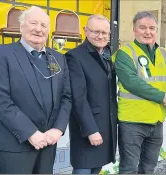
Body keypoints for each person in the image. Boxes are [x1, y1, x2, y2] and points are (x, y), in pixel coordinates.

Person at [0, 6, 72, 174]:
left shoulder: (58, 58)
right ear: (21, 27)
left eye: (43, 25)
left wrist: (58, 129)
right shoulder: (1, 55)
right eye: (33, 23)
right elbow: (0, 100)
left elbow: (66, 97)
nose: (38, 29)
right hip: (16, 143)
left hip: (48, 143)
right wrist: (31, 133)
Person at [113, 11, 166, 174]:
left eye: (151, 28)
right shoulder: (124, 53)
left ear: (156, 31)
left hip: (156, 122)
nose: (147, 32)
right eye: (142, 27)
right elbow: (132, 83)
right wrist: (163, 97)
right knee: (129, 169)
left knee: (149, 169)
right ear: (134, 30)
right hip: (132, 122)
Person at [65, 15, 117, 174]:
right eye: (95, 31)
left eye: (105, 33)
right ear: (85, 31)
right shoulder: (75, 56)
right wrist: (91, 130)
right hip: (87, 129)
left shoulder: (108, 56)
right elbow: (78, 98)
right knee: (83, 169)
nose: (100, 36)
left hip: (105, 127)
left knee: (96, 170)